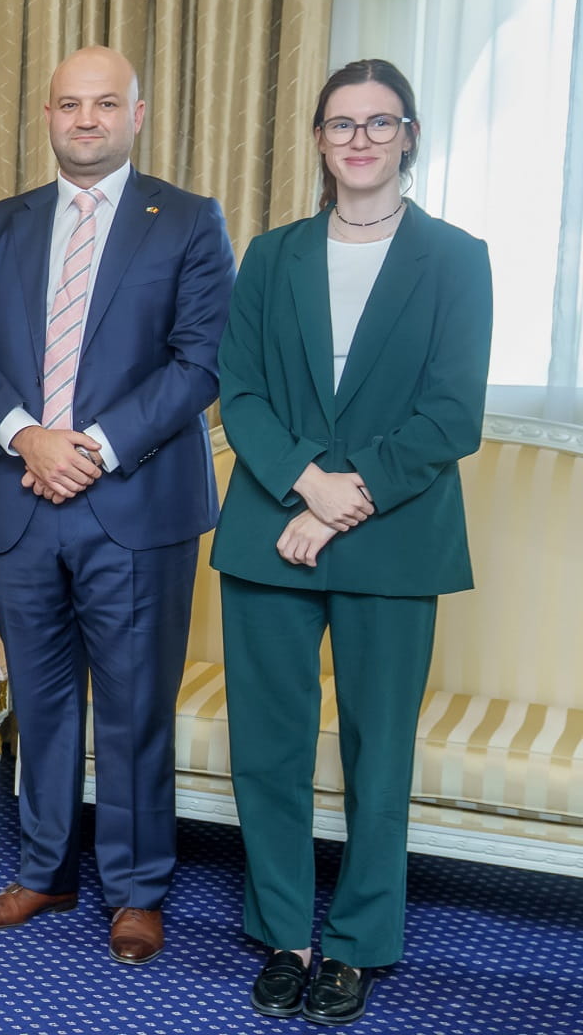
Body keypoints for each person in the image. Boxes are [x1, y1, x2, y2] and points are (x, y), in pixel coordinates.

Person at [0, 46, 234, 962]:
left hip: (135, 501)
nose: (87, 120)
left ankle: (137, 891)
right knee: (41, 700)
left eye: (106, 104)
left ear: (136, 115)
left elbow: (201, 361)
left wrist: (92, 448)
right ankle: (45, 870)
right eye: (70, 104)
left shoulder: (187, 220)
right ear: (47, 115)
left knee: (135, 706)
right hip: (23, 496)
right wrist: (28, 437)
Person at [214, 59, 491, 1026]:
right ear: (320, 140)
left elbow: (451, 415)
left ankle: (360, 944)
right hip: (269, 529)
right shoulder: (272, 254)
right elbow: (240, 391)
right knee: (269, 749)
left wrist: (341, 500)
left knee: (379, 755)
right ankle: (284, 935)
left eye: (380, 122)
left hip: (394, 536)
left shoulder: (456, 258)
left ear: (409, 134)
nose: (361, 139)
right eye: (342, 123)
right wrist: (307, 483)